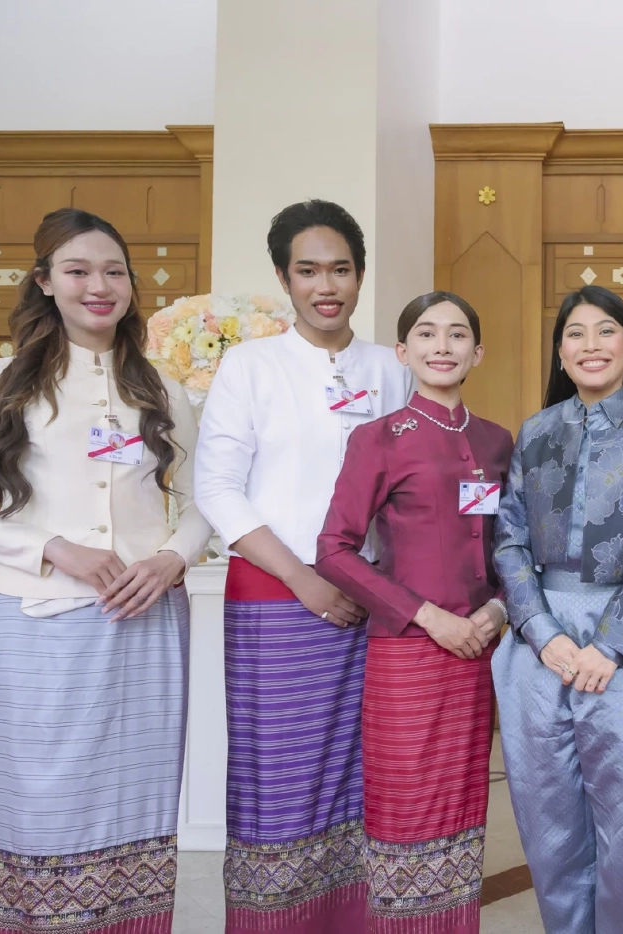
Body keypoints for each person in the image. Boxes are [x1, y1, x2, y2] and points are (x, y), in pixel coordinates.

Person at [0, 208, 210, 934]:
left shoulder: (162, 390)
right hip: (35, 626)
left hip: (146, 624)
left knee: (134, 802)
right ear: (45, 283)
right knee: (37, 806)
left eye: (114, 271)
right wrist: (53, 548)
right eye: (78, 270)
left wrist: (172, 558)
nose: (99, 285)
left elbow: (205, 503)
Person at [194, 200, 415, 932]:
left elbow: (415, 492)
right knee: (280, 783)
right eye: (308, 270)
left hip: (376, 607)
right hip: (276, 600)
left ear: (360, 274)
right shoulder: (249, 366)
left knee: (369, 778)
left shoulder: (393, 367)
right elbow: (217, 488)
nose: (328, 286)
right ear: (283, 279)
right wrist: (304, 579)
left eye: (342, 269)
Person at [492, 285, 623, 934]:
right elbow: (508, 540)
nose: (590, 345)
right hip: (539, 642)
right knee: (549, 825)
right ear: (559, 351)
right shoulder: (537, 432)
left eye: (605, 331)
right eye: (575, 334)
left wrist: (608, 646)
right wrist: (542, 633)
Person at [315, 291, 512, 933]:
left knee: (463, 806)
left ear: (477, 352)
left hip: (478, 652)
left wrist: (501, 611)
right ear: (403, 352)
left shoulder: (496, 441)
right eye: (426, 335)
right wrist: (427, 616)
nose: (442, 347)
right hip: (408, 654)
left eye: (457, 335)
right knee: (407, 808)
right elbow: (333, 550)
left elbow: (511, 547)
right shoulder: (379, 439)